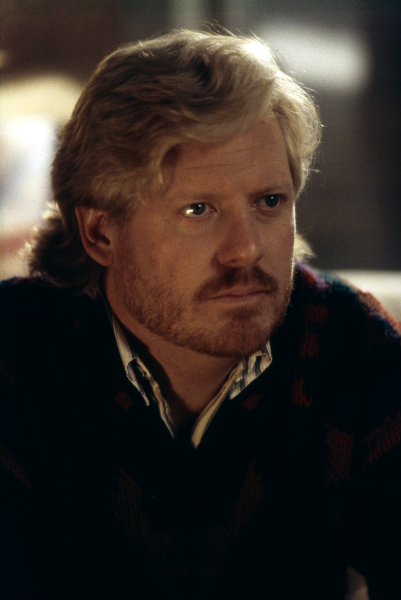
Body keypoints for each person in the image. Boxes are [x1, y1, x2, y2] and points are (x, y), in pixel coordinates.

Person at [1, 30, 400, 600]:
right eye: (198, 210)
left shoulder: (351, 345)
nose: (246, 249)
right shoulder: (17, 357)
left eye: (269, 202)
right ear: (100, 233)